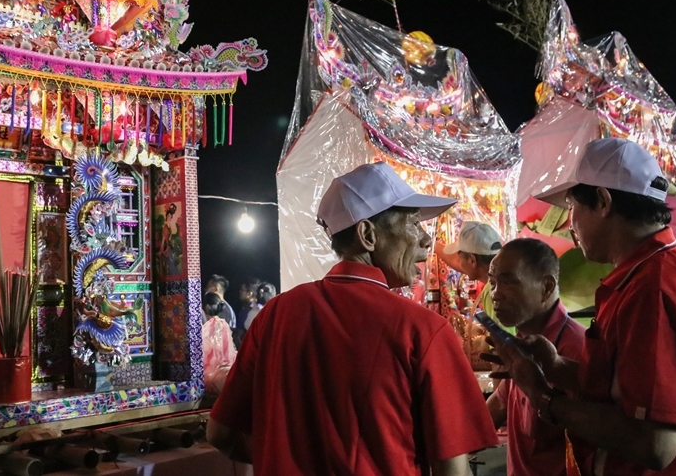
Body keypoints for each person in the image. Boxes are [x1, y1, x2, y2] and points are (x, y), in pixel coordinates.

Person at [207, 162, 498, 475]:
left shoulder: (274, 316)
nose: (427, 240)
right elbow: (452, 471)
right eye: (413, 224)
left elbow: (220, 434)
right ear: (367, 234)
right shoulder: (422, 330)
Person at [493, 138, 676, 475]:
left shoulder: (657, 288)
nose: (569, 223)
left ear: (603, 201)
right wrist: (556, 366)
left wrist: (545, 399)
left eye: (572, 207)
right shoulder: (654, 274)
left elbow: (654, 444)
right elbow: (628, 388)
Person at [483, 238, 587, 476]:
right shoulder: (521, 340)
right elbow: (498, 405)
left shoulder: (575, 349)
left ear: (546, 288)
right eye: (492, 283)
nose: (495, 295)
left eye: (508, 282)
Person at [442, 221, 509, 328]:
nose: (461, 266)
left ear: (472, 260)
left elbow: (501, 341)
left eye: (461, 259)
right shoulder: (506, 281)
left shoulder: (493, 290)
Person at [202, 292, 238, 399]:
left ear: (206, 307)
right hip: (226, 367)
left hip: (213, 373)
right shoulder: (224, 324)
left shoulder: (208, 326)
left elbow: (205, 352)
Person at [233, 279, 261, 348]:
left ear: (249, 294)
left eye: (242, 290)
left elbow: (239, 336)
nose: (240, 292)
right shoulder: (263, 308)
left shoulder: (246, 312)